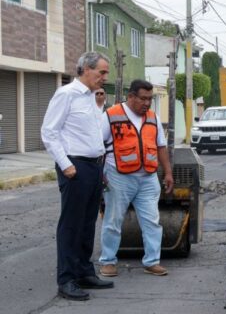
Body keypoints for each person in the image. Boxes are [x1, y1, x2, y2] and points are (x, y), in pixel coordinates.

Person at [41, 51, 114, 301]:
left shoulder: (93, 98)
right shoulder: (66, 95)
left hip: (94, 167)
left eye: (106, 73)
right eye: (101, 72)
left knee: (87, 222)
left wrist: (100, 107)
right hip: (75, 167)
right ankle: (67, 280)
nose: (104, 77)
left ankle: (84, 272)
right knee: (71, 225)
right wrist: (65, 164)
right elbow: (49, 132)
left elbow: (92, 134)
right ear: (85, 69)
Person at [98, 80, 174, 278]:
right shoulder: (111, 115)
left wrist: (167, 173)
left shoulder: (153, 118)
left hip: (148, 178)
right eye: (143, 99)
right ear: (130, 96)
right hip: (118, 177)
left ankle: (152, 262)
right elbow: (97, 147)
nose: (147, 103)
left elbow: (161, 147)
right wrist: (101, 175)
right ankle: (108, 261)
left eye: (149, 99)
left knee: (152, 222)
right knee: (113, 220)